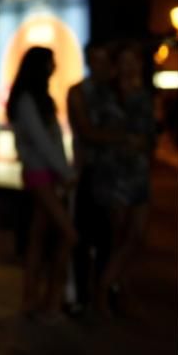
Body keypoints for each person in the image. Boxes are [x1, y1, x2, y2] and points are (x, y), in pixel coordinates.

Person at [7, 46, 77, 321]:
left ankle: (34, 299)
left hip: (46, 173)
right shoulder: (28, 101)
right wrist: (66, 172)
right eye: (50, 63)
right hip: (40, 173)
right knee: (68, 234)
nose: (54, 67)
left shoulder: (37, 98)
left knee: (38, 236)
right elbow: (42, 141)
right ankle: (51, 299)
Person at [91, 41, 157, 317]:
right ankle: (106, 289)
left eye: (134, 60)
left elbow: (149, 136)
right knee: (118, 235)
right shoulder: (106, 95)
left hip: (138, 173)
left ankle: (113, 285)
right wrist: (123, 139)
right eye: (125, 61)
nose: (130, 67)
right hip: (114, 173)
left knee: (137, 235)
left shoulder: (145, 96)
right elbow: (99, 132)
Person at [66, 40, 117, 311]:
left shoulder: (114, 92)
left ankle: (105, 290)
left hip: (114, 174)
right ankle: (82, 294)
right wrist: (124, 138)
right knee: (83, 235)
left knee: (111, 235)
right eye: (95, 59)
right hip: (88, 171)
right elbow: (86, 131)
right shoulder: (79, 92)